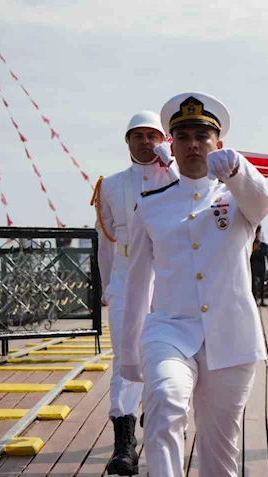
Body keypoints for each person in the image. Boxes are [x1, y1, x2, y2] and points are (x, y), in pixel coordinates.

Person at [121, 92, 268, 477]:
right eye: (183, 136)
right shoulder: (151, 205)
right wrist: (129, 354)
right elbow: (137, 283)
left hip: (231, 334)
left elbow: (261, 203)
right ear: (172, 144)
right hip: (169, 328)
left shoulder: (237, 197)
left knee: (220, 446)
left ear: (218, 144)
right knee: (165, 403)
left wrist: (239, 170)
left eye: (202, 137)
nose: (192, 145)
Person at [92, 111, 175, 476]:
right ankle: (124, 444)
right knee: (124, 360)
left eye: (152, 135)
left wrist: (171, 164)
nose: (145, 142)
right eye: (137, 136)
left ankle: (160, 427)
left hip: (169, 281)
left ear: (164, 139)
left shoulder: (176, 177)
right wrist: (108, 286)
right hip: (127, 280)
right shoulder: (110, 186)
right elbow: (105, 242)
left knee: (169, 357)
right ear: (127, 142)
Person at [251, 225, 268, 307]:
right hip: (253, 266)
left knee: (263, 284)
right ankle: (255, 300)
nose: (257, 235)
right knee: (254, 285)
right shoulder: (249, 244)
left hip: (262, 267)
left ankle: (262, 300)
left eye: (258, 233)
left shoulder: (264, 245)